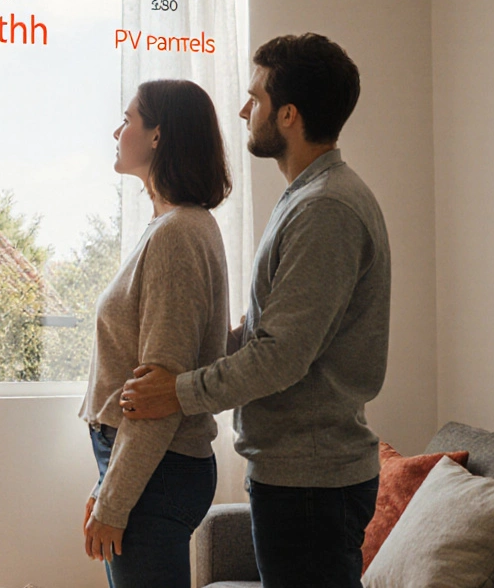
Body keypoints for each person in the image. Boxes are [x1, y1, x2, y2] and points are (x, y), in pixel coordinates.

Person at [119, 34, 391, 588]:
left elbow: (281, 357)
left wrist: (178, 390)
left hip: (312, 482)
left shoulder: (327, 210)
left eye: (256, 97)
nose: (244, 109)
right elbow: (273, 333)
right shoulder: (305, 199)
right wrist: (200, 345)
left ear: (288, 115)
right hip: (295, 473)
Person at [79, 79, 232, 588]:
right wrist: (109, 486)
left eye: (128, 119)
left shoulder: (177, 235)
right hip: (150, 466)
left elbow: (157, 393)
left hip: (159, 468)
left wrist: (115, 498)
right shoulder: (173, 226)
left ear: (157, 137)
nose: (116, 130)